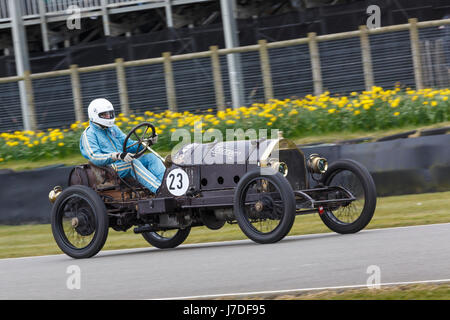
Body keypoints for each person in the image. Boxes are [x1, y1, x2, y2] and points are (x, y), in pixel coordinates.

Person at [79, 98, 166, 193]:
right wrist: (116, 156)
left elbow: (129, 145)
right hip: (108, 170)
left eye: (109, 113)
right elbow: (94, 156)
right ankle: (160, 190)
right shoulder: (89, 134)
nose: (108, 116)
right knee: (132, 164)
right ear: (95, 115)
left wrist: (146, 142)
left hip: (123, 161)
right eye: (105, 114)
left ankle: (169, 185)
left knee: (150, 158)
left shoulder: (113, 129)